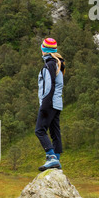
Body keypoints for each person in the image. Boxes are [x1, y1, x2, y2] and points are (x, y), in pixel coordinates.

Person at [35, 38, 65, 171]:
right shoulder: (58, 64)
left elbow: (49, 86)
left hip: (49, 103)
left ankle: (51, 157)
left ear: (44, 50)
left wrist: (44, 106)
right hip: (57, 104)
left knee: (40, 130)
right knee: (54, 132)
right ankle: (56, 160)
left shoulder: (49, 65)